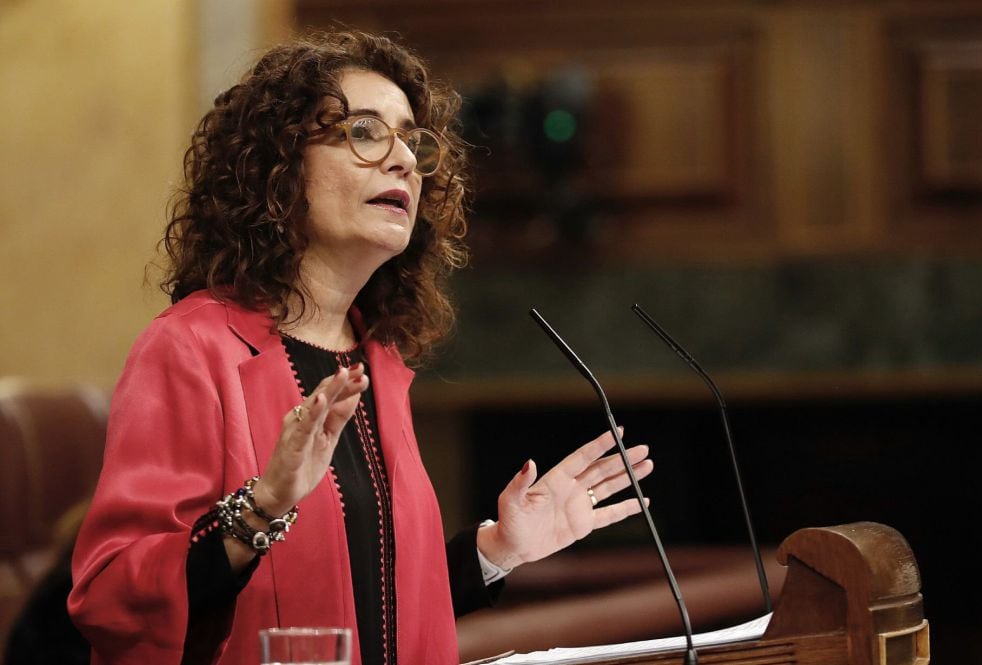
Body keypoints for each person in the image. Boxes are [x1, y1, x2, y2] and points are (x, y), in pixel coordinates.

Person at [67, 30, 653, 665]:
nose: (403, 158)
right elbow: (110, 601)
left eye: (409, 139)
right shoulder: (189, 348)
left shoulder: (378, 361)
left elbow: (372, 607)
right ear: (279, 167)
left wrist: (500, 549)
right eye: (367, 133)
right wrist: (263, 506)